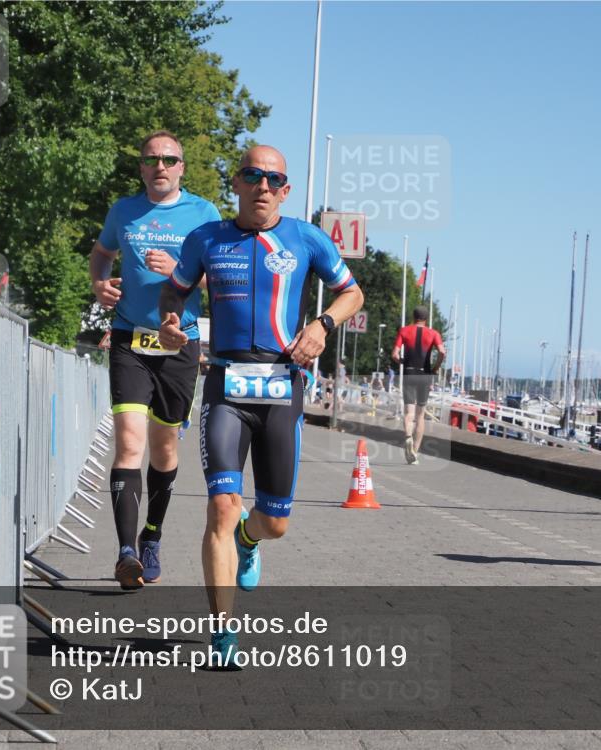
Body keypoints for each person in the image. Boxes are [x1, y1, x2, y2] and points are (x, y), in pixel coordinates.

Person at [159, 145, 363, 664]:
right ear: (238, 182)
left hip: (280, 389)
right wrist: (170, 324)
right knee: (222, 507)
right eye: (253, 175)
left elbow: (352, 294)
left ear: (286, 189)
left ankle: (252, 540)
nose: (263, 185)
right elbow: (174, 293)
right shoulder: (207, 238)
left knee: (274, 522)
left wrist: (322, 325)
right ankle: (222, 633)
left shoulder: (305, 237)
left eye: (274, 178)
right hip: (225, 388)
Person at [90, 130, 220, 589]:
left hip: (178, 343)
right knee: (129, 443)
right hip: (129, 337)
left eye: (169, 159)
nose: (160, 167)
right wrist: (98, 283)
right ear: (142, 167)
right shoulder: (124, 211)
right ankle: (126, 552)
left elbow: (221, 279)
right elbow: (102, 252)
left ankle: (152, 534)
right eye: (151, 160)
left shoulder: (204, 214)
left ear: (182, 167)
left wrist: (183, 273)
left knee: (164, 448)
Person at [392, 305, 446, 465]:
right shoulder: (433, 333)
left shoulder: (404, 330)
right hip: (425, 374)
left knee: (409, 412)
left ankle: (407, 436)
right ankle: (414, 451)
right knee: (420, 415)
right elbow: (442, 352)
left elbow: (394, 354)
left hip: (409, 372)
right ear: (426, 319)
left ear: (413, 317)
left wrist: (401, 361)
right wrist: (436, 367)